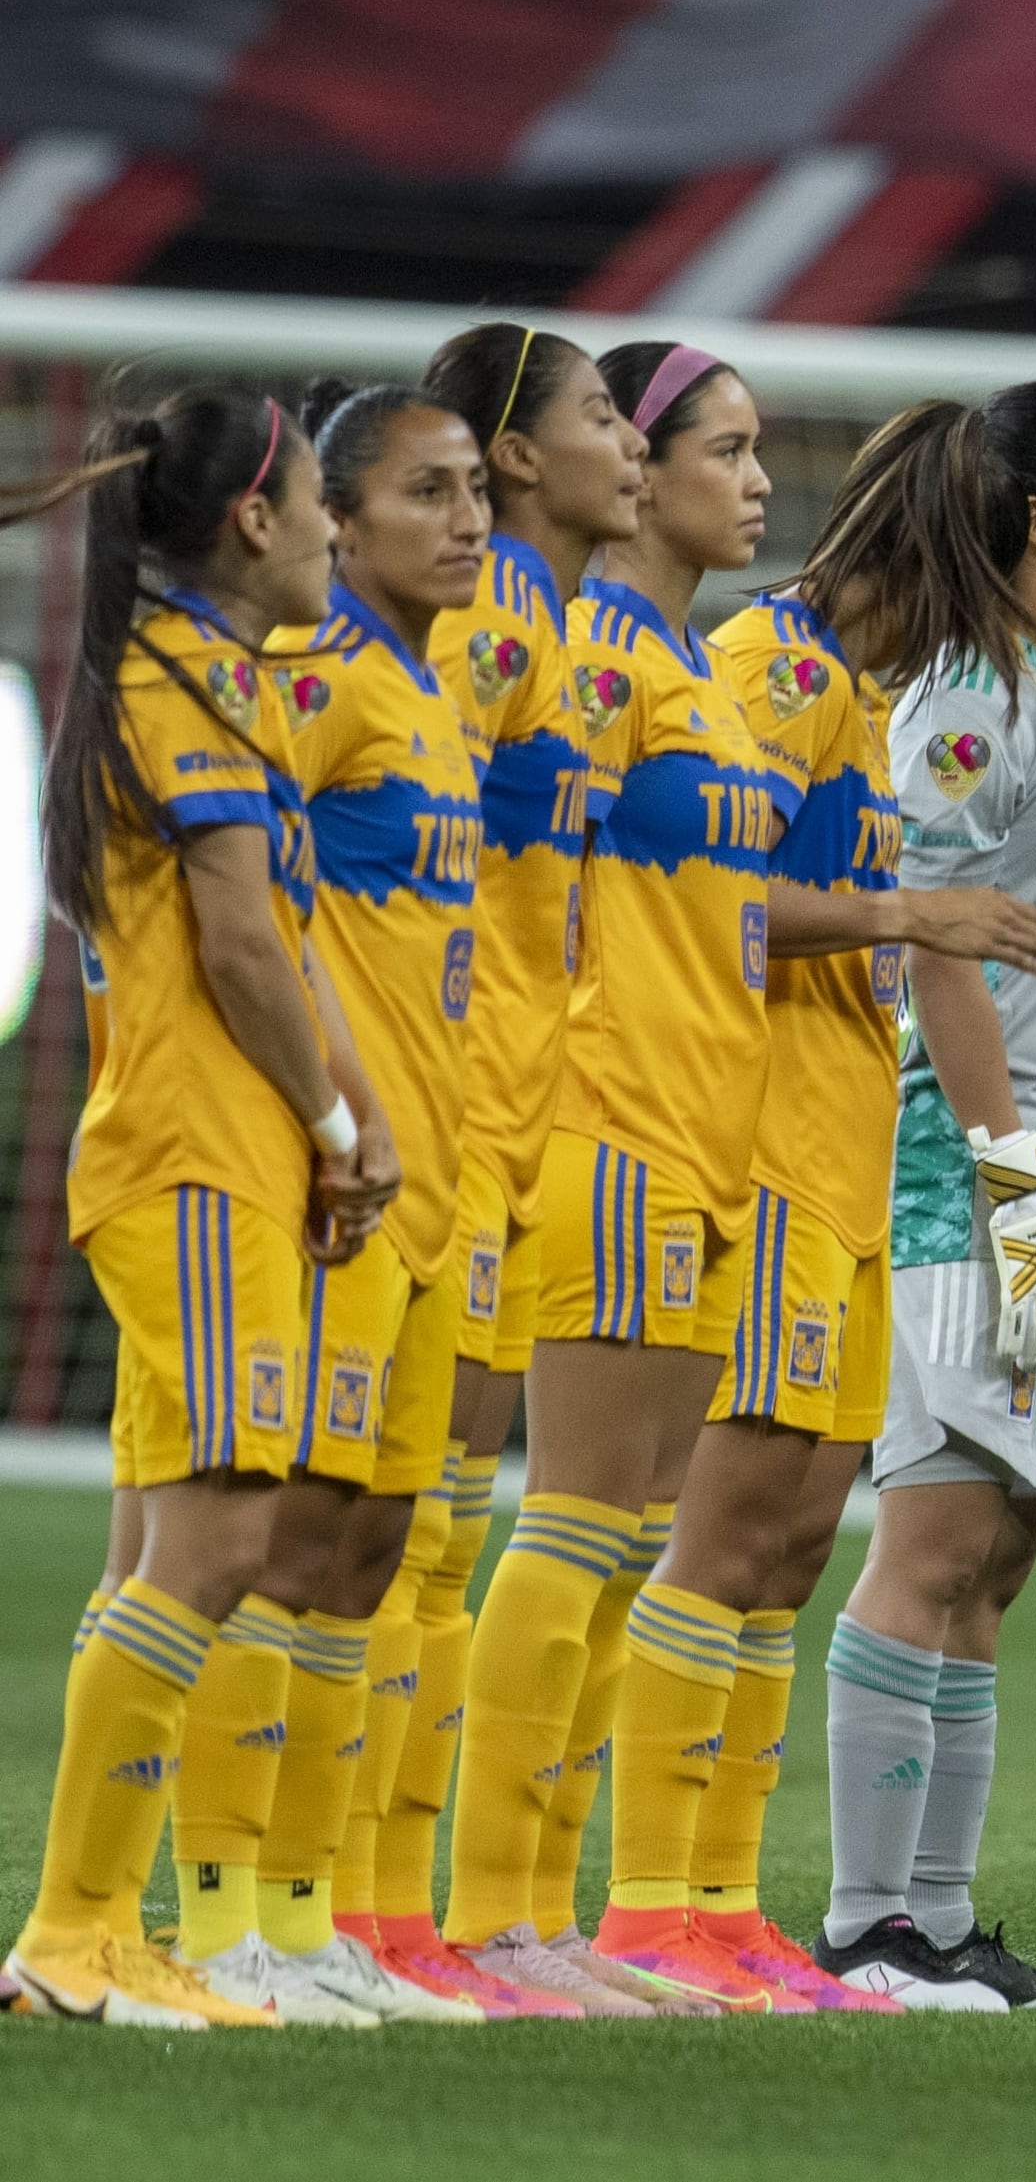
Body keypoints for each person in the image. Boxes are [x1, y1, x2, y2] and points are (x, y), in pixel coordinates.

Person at [629, 394, 1036, 2017]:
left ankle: (725, 1916)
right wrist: (907, 909)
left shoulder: (867, 690)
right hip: (749, 1149)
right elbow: (704, 900)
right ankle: (648, 1905)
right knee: (725, 1534)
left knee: (797, 1543)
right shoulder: (769, 667)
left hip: (839, 1159)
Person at [1, 390, 389, 2030]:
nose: (332, 536)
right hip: (202, 1158)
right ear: (252, 518)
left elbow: (276, 933)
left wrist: (344, 1111)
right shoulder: (196, 685)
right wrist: (327, 1113)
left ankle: (96, 1928)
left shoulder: (177, 674)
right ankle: (71, 1932)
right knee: (224, 1531)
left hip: (197, 1153)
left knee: (171, 1534)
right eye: (318, 506)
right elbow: (240, 943)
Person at [435, 341, 783, 2018]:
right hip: (607, 1122)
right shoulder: (568, 641)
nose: (744, 477)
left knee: (635, 1531)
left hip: (716, 1134)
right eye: (719, 443)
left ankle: (550, 1913)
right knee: (548, 1526)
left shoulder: (677, 665)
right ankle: (481, 1912)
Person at [822, 384, 1036, 2014]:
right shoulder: (965, 692)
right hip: (978, 1165)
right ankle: (865, 1922)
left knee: (1005, 1546)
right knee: (938, 1524)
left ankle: (944, 1921)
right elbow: (930, 933)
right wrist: (1012, 1163)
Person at [237, 383, 501, 2025]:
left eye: (475, 486)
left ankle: (306, 1908)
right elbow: (229, 900)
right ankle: (223, 1910)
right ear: (342, 517)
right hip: (334, 1175)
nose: (466, 517)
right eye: (429, 490)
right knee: (284, 1538)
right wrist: (323, 1115)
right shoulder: (311, 674)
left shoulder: (432, 687)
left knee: (371, 1544)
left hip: (438, 1176)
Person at [403, 322, 645, 2013]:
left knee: (457, 1520)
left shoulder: (558, 629)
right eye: (600, 416)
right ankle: (366, 1907)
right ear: (509, 457)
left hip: (532, 1120)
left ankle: (480, 1913)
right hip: (449, 1108)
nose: (624, 438)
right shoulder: (480, 626)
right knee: (404, 1532)